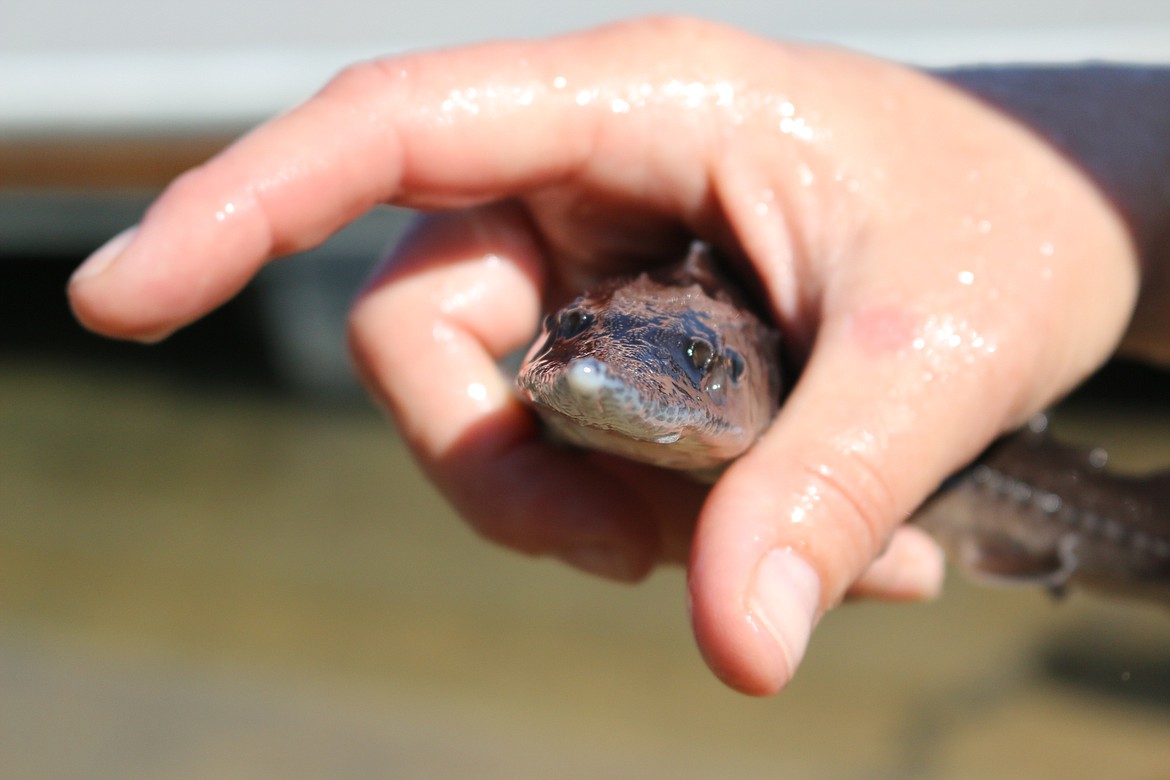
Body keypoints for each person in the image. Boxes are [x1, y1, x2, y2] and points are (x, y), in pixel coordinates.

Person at [67, 17, 1170, 696]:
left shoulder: (781, 372)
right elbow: (598, 359)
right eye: (576, 334)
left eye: (694, 363)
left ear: (750, 382)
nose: (601, 369)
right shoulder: (580, 351)